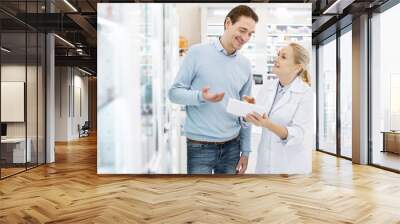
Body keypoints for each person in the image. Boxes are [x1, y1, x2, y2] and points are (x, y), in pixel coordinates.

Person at [168, 5, 258, 174]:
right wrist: (201, 96)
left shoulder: (245, 65)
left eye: (250, 34)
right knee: (200, 198)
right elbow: (174, 93)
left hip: (232, 146)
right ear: (228, 23)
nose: (245, 38)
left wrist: (245, 151)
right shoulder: (197, 53)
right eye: (243, 30)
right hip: (199, 146)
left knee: (225, 198)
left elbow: (245, 114)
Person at [244, 43, 314, 174]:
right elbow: (260, 120)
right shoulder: (268, 87)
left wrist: (268, 124)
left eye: (283, 57)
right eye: (278, 55)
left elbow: (297, 134)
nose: (276, 59)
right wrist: (251, 108)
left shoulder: (305, 93)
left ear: (297, 67)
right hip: (264, 162)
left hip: (289, 165)